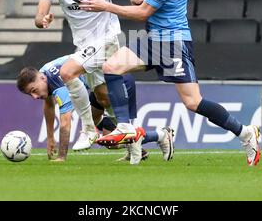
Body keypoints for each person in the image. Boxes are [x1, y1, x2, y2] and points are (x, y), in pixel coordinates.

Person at [80, 0, 261, 166]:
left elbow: (143, 11)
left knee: (193, 102)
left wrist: (107, 6)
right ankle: (124, 126)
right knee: (112, 66)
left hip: (173, 43)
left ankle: (245, 133)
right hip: (153, 38)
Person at [36, 0, 156, 158]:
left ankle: (88, 129)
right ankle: (145, 139)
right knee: (103, 98)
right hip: (85, 45)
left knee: (67, 73)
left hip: (107, 37)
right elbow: (41, 11)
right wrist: (41, 20)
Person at [16, 55, 174, 164]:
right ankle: (135, 146)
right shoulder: (43, 73)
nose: (35, 97)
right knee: (94, 122)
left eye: (34, 90)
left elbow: (65, 121)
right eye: (31, 94)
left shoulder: (56, 80)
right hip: (99, 89)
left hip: (117, 83)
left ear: (42, 78)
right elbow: (49, 105)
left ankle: (160, 135)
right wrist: (50, 137)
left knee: (112, 140)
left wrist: (61, 156)